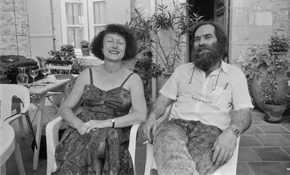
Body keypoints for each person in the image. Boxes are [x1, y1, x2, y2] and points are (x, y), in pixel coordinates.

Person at [143, 21, 253, 175]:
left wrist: (231, 133)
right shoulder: (182, 71)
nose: (201, 42)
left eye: (207, 37)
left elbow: (244, 112)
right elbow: (162, 101)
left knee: (188, 164)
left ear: (220, 43)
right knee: (165, 143)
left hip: (211, 132)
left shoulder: (235, 75)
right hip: (175, 126)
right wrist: (152, 117)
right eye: (197, 39)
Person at [53, 24, 147, 175]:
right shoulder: (86, 74)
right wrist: (79, 125)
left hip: (115, 130)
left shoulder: (133, 79)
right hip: (84, 126)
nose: (115, 45)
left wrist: (105, 123)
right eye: (109, 41)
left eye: (120, 42)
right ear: (101, 48)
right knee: (85, 142)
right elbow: (66, 108)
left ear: (126, 50)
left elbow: (141, 114)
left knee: (91, 144)